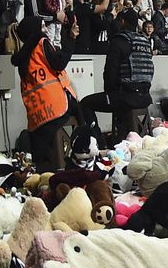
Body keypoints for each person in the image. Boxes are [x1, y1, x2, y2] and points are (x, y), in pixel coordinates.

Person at [12, 16, 84, 170]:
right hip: (58, 108)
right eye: (43, 26)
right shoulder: (41, 42)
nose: (46, 30)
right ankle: (85, 155)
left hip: (38, 118)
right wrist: (71, 39)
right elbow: (58, 63)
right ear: (36, 30)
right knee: (84, 113)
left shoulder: (23, 57)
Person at [79, 9, 153, 137]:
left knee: (85, 104)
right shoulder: (145, 42)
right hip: (145, 97)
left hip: (125, 97)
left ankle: (99, 144)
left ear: (122, 21)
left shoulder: (119, 41)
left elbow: (110, 73)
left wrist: (110, 93)